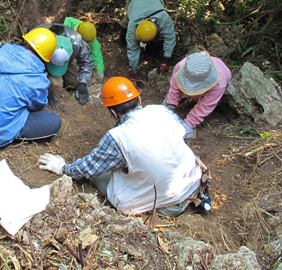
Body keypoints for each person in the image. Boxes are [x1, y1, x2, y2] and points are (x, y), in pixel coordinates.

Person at [39, 77, 206, 217]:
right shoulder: (161, 111)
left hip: (170, 201)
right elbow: (187, 133)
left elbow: (88, 169)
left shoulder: (117, 137)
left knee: (102, 176)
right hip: (194, 182)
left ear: (112, 112)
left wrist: (62, 167)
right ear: (139, 99)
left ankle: (160, 206)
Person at [0, 28, 62, 148]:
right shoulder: (37, 79)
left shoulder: (2, 52)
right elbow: (39, 105)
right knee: (53, 121)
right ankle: (7, 132)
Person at [164, 51, 232, 139]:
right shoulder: (182, 66)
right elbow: (175, 86)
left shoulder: (219, 82)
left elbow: (205, 106)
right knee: (169, 104)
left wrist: (188, 125)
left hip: (213, 89)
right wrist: (170, 106)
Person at [119, 0, 176, 79]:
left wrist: (166, 60)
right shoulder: (132, 25)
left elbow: (170, 38)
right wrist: (135, 71)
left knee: (153, 41)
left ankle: (151, 48)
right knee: (125, 21)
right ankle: (121, 40)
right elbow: (132, 50)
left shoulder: (164, 19)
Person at [31, 23, 94, 105]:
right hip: (42, 60)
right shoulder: (38, 41)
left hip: (68, 60)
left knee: (75, 82)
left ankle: (68, 80)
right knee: (56, 87)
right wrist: (43, 89)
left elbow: (87, 61)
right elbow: (29, 69)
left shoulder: (77, 42)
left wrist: (83, 82)